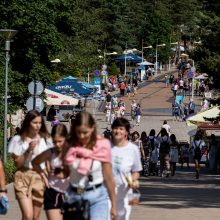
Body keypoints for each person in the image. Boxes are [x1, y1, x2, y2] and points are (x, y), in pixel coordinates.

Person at [64, 112, 117, 220]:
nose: (81, 136)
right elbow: (64, 173)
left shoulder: (103, 145)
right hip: (74, 195)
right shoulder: (69, 145)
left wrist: (114, 206)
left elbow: (108, 177)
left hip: (97, 195)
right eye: (78, 132)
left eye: (85, 132)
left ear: (92, 128)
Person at [8, 110, 53, 220]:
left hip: (40, 177)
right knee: (28, 216)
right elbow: (17, 164)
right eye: (34, 122)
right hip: (23, 176)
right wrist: (28, 149)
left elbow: (49, 161)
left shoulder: (46, 140)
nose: (38, 126)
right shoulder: (18, 140)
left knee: (35, 216)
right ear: (28, 122)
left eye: (40, 123)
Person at [32, 124, 69, 220]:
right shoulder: (50, 152)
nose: (57, 144)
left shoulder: (72, 152)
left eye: (60, 141)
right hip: (52, 192)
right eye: (54, 142)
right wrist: (44, 177)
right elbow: (35, 163)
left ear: (66, 138)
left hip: (70, 193)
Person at [111, 118, 142, 220]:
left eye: (121, 129)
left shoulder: (133, 149)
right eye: (115, 128)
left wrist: (132, 180)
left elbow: (136, 171)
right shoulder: (106, 147)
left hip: (124, 193)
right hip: (106, 192)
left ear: (126, 132)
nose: (118, 131)